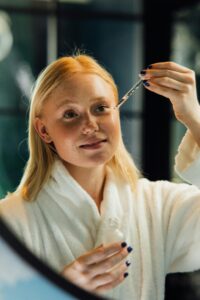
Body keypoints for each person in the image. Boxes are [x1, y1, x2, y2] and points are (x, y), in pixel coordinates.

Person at [0, 53, 200, 300]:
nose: (91, 125)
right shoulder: (10, 221)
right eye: (70, 114)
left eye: (101, 108)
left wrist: (194, 116)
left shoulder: (156, 205)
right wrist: (55, 291)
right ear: (43, 130)